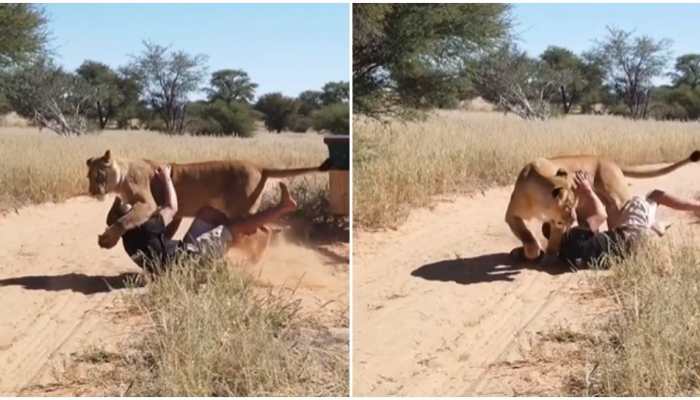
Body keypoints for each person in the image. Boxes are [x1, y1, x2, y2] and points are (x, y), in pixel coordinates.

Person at [105, 164, 297, 272]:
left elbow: (166, 232)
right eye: (130, 207)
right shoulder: (146, 227)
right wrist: (167, 179)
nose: (135, 204)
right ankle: (283, 208)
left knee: (207, 212)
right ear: (129, 218)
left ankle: (237, 238)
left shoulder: (131, 238)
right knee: (236, 226)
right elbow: (173, 208)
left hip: (180, 253)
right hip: (188, 261)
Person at [553, 170, 700, 267]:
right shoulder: (574, 236)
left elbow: (591, 237)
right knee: (653, 195)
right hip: (633, 236)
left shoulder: (565, 256)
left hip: (629, 257)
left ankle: (656, 226)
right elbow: (601, 215)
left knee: (629, 223)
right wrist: (588, 191)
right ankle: (697, 207)